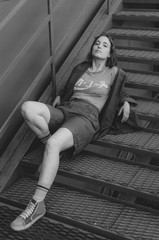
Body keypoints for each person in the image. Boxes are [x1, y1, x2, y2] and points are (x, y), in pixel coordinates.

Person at [11, 33, 140, 231]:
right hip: (66, 109)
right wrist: (60, 95)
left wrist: (126, 103)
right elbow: (68, 86)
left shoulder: (115, 72)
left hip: (87, 117)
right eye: (97, 43)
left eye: (104, 45)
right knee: (28, 108)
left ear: (109, 53)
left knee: (54, 143)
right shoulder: (81, 67)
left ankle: (37, 204)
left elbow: (122, 92)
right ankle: (52, 148)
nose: (99, 46)